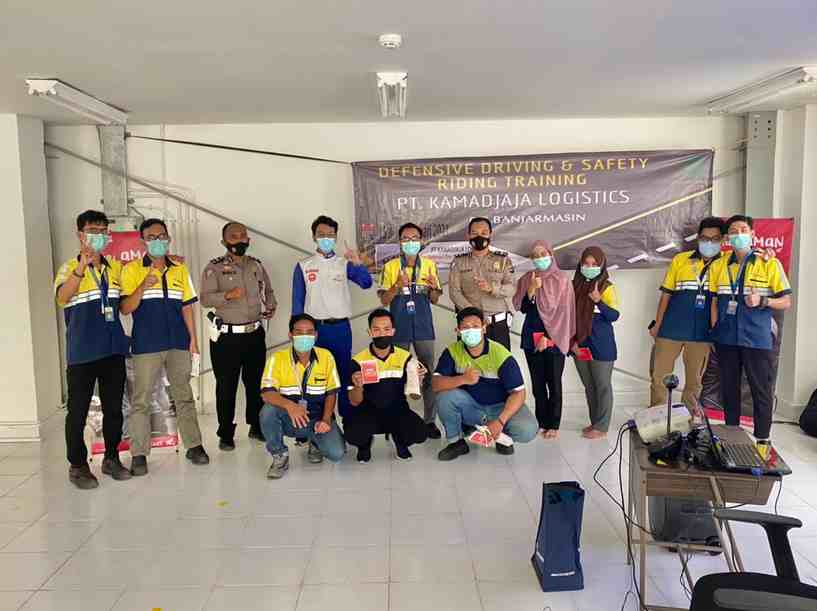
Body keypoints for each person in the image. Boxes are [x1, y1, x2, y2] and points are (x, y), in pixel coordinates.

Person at [120, 218, 209, 475]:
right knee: (141, 400)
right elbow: (125, 308)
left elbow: (187, 306)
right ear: (143, 241)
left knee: (183, 395)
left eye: (161, 236)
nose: (157, 241)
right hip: (146, 344)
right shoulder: (132, 270)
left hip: (178, 342)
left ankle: (194, 446)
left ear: (168, 238)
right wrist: (142, 285)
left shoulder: (179, 268)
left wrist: (193, 340)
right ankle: (139, 454)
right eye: (151, 237)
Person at [53, 210, 132, 489]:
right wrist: (81, 267)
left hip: (113, 350)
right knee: (77, 412)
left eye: (102, 230)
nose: (98, 235)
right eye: (92, 230)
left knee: (114, 409)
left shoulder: (115, 267)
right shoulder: (68, 267)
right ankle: (77, 465)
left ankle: (111, 458)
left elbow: (124, 306)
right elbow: (62, 298)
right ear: (80, 234)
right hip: (82, 353)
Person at [709, 214, 792, 457]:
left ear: (753, 234)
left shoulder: (768, 263)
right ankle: (732, 435)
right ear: (727, 238)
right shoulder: (719, 265)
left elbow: (786, 301)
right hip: (726, 338)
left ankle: (762, 440)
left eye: (743, 230)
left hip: (756, 338)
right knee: (729, 389)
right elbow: (714, 300)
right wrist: (715, 329)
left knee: (760, 390)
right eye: (733, 231)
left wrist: (763, 300)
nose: (739, 235)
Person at [200, 221, 277, 451]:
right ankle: (225, 433)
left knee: (255, 383)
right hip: (227, 338)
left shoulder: (256, 265)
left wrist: (271, 305)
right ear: (224, 241)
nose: (239, 240)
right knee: (226, 386)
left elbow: (268, 290)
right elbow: (205, 299)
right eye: (233, 236)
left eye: (243, 236)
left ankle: (256, 426)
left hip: (254, 334)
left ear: (248, 240)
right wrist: (227, 295)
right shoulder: (214, 267)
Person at [292, 215, 373, 429]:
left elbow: (366, 283)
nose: (326, 238)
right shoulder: (303, 266)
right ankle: (317, 422)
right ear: (314, 236)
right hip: (314, 331)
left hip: (340, 328)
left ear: (335, 237)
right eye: (321, 234)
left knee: (344, 374)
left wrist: (357, 263)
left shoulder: (344, 264)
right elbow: (297, 302)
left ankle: (348, 421)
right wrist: (296, 332)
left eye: (330, 235)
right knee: (314, 376)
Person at [433, 307, 538, 461]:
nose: (471, 330)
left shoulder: (500, 354)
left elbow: (519, 393)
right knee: (444, 397)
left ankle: (501, 437)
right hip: (472, 407)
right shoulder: (452, 352)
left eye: (475, 326)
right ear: (458, 331)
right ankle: (456, 442)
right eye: (465, 327)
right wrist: (463, 379)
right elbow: (436, 384)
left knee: (528, 429)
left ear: (484, 328)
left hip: (500, 408)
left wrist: (500, 421)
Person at [649, 217, 725, 413]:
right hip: (671, 328)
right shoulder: (680, 260)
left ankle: (691, 415)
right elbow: (666, 294)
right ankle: (657, 415)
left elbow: (749, 260)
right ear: (698, 238)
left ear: (722, 240)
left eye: (715, 239)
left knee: (694, 380)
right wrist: (658, 324)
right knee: (659, 376)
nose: (709, 243)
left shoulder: (727, 263)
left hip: (703, 333)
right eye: (705, 238)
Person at [259, 313, 346, 479]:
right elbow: (267, 393)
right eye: (299, 332)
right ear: (290, 335)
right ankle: (279, 455)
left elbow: (331, 392)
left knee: (337, 453)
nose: (304, 336)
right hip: (288, 418)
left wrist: (326, 419)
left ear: (316, 335)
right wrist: (290, 406)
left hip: (317, 419)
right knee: (268, 411)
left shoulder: (326, 357)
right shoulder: (277, 358)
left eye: (309, 332)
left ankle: (315, 442)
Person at [378, 222, 443, 439]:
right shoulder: (390, 267)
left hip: (423, 326)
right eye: (406, 238)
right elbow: (384, 300)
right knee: (396, 375)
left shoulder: (430, 266)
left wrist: (433, 289)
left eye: (414, 238)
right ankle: (396, 420)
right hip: (399, 328)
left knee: (428, 374)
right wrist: (396, 285)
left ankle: (430, 421)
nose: (410, 242)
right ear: (400, 242)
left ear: (421, 241)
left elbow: (435, 299)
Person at [345, 309, 429, 463]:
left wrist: (417, 382)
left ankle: (398, 439)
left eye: (386, 329)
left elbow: (414, 397)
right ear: (370, 332)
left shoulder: (406, 358)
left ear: (393, 331)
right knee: (353, 434)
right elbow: (354, 401)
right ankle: (365, 444)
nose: (382, 334)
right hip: (368, 412)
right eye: (376, 329)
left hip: (397, 410)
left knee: (420, 433)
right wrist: (358, 386)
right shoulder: (358, 361)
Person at [512, 241, 576, 439]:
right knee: (538, 384)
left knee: (554, 383)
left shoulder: (561, 279)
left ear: (550, 254)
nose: (539, 258)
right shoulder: (528, 278)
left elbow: (565, 313)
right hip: (531, 337)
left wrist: (548, 338)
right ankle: (542, 421)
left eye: (542, 253)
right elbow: (522, 308)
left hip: (555, 339)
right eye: (535, 255)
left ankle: (554, 424)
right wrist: (531, 289)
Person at [571, 246, 620, 440]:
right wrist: (572, 343)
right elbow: (567, 317)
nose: (589, 267)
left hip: (602, 345)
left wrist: (599, 301)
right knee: (589, 386)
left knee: (602, 386)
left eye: (594, 264)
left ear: (601, 265)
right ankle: (595, 423)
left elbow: (614, 315)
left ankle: (602, 426)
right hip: (580, 344)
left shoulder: (607, 286)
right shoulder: (574, 286)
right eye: (586, 263)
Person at [448, 217, 515, 349]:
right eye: (474, 233)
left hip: (497, 326)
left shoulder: (503, 260)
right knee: (468, 361)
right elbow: (454, 292)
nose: (479, 237)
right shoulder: (459, 262)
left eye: (484, 233)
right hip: (470, 326)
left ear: (490, 235)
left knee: (500, 361)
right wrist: (474, 314)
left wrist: (492, 288)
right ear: (468, 236)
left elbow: (511, 288)